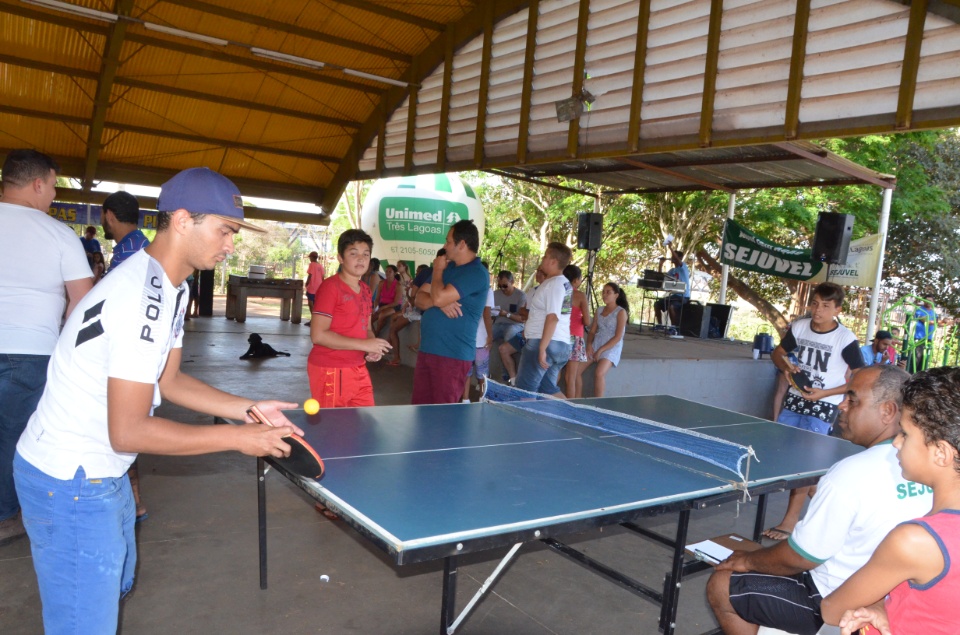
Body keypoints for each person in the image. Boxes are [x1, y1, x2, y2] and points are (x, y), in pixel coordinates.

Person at [13, 167, 301, 632]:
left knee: (113, 587)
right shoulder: (138, 296)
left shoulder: (172, 287)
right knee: (84, 622)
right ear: (183, 220)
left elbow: (169, 382)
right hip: (69, 480)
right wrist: (238, 441)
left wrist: (246, 409)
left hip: (103, 472)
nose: (231, 244)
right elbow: (128, 430)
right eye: (225, 230)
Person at [706, 365, 932, 635]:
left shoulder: (851, 473)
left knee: (722, 585)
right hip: (894, 597)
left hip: (833, 599)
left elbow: (802, 557)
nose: (841, 406)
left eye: (852, 398)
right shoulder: (926, 466)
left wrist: (747, 562)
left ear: (887, 411)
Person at [820, 366, 960, 635]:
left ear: (941, 453)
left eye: (905, 434)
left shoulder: (915, 541)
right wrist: (883, 604)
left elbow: (832, 609)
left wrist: (876, 604)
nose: (896, 443)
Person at [0, 149, 93, 546]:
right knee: (14, 436)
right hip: (31, 351)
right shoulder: (58, 235)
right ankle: (6, 515)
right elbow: (82, 302)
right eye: (53, 186)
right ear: (38, 183)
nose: (53, 194)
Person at [763, 282, 866, 541]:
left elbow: (860, 378)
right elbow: (778, 352)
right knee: (788, 457)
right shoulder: (799, 328)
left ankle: (789, 522)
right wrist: (785, 368)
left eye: (826, 306)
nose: (818, 310)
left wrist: (826, 394)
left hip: (824, 404)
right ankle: (819, 493)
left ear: (837, 310)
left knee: (804, 464)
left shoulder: (845, 339)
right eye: (815, 304)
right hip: (796, 400)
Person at [307, 229, 391, 409]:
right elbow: (318, 335)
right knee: (335, 430)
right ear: (340, 258)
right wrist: (364, 345)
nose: (361, 259)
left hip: (358, 367)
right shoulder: (330, 287)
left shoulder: (366, 290)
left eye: (365, 254)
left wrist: (371, 346)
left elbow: (367, 328)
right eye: (353, 253)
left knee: (365, 424)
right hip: (331, 368)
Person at [412, 220, 488, 405]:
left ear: (461, 244)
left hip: (452, 355)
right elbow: (419, 299)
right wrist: (439, 302)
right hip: (428, 350)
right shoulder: (449, 267)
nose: (444, 246)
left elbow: (437, 297)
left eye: (448, 241)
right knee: (420, 410)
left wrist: (437, 271)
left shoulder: (476, 272)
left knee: (443, 417)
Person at [515, 242, 574, 397]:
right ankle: (573, 417)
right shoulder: (564, 283)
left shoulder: (554, 284)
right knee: (546, 390)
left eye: (546, 256)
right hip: (560, 343)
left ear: (553, 262)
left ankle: (524, 421)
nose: (542, 259)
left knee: (525, 391)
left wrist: (542, 348)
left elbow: (553, 317)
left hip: (544, 343)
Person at [498, 267, 541, 385]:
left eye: (505, 286)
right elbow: (523, 312)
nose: (502, 289)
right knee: (503, 348)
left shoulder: (522, 294)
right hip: (526, 332)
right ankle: (513, 380)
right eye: (500, 286)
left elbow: (522, 317)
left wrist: (508, 314)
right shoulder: (532, 291)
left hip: (538, 335)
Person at [385, 260, 433, 366]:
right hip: (417, 312)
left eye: (419, 272)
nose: (417, 274)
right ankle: (389, 343)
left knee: (393, 329)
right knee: (394, 319)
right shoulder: (429, 283)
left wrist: (407, 291)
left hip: (417, 313)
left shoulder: (420, 285)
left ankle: (396, 356)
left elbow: (414, 302)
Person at [586, 282, 629, 398]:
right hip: (597, 343)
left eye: (608, 292)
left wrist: (600, 350)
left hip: (611, 347)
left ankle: (599, 403)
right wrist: (589, 344)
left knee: (599, 373)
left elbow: (618, 337)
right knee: (576, 370)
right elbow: (592, 331)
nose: (604, 295)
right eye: (603, 292)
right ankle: (577, 400)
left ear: (616, 295)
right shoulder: (599, 310)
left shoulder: (621, 312)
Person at [463, 265, 494, 402]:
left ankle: (465, 399)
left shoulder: (465, 288)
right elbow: (487, 314)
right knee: (482, 374)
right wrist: (490, 335)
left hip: (466, 337)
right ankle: (482, 398)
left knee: (466, 372)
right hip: (481, 338)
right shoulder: (487, 290)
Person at [101, 190, 148, 272]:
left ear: (109, 217)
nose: (101, 221)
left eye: (101, 215)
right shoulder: (136, 244)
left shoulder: (129, 252)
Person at [563, 265, 591, 399]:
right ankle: (569, 406)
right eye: (580, 279)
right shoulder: (580, 295)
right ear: (575, 280)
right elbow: (587, 321)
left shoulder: (560, 291)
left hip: (559, 335)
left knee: (554, 372)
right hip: (575, 336)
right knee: (571, 377)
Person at [653, 247, 690, 326]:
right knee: (657, 304)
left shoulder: (683, 267)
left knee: (671, 306)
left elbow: (677, 259)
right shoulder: (672, 270)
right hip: (673, 296)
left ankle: (674, 327)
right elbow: (661, 278)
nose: (672, 258)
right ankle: (660, 325)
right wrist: (660, 264)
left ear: (679, 258)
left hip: (683, 296)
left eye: (674, 256)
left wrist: (670, 247)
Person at [907, 292, 937, 373]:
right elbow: (925, 320)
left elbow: (938, 323)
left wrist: (949, 322)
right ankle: (911, 376)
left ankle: (920, 379)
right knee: (916, 360)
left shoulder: (934, 312)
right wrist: (938, 322)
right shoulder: (919, 310)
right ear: (923, 301)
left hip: (929, 339)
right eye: (926, 300)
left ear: (933, 302)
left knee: (925, 361)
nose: (928, 302)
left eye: (930, 301)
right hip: (919, 339)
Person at [372, 264, 400, 334]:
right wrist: (376, 307)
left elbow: (396, 302)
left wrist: (383, 307)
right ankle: (373, 334)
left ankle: (376, 333)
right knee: (369, 319)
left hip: (394, 306)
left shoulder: (398, 285)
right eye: (386, 271)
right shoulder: (382, 283)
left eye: (390, 271)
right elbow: (377, 298)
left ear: (395, 273)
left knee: (382, 315)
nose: (387, 273)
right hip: (382, 304)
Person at [303, 251, 325, 326]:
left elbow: (310, 275)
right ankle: (315, 320)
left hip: (312, 287)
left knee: (310, 304)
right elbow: (322, 277)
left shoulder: (312, 265)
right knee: (316, 305)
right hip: (319, 287)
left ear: (312, 258)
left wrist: (307, 283)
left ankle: (314, 320)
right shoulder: (320, 266)